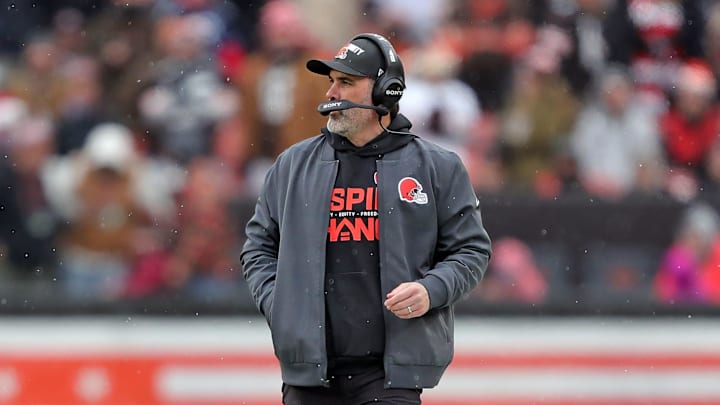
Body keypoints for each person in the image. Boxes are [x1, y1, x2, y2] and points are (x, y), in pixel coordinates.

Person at [240, 33, 491, 404]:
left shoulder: (438, 167)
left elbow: (471, 251)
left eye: (346, 82)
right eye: (331, 83)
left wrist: (430, 290)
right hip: (310, 376)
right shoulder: (292, 165)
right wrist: (281, 304)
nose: (331, 94)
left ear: (385, 91)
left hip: (389, 377)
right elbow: (258, 249)